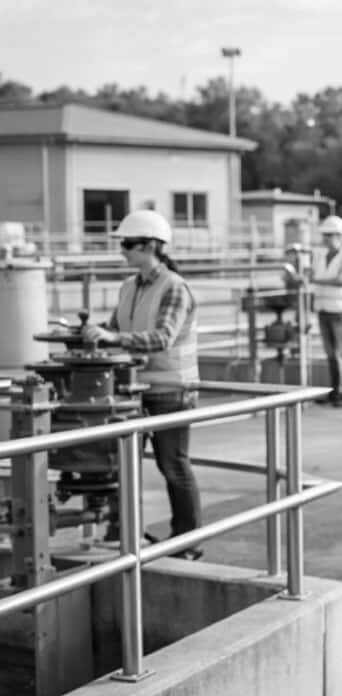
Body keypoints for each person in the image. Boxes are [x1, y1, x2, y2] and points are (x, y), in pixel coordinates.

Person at [83, 209, 204, 560]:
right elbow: (116, 328)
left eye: (128, 244)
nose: (123, 250)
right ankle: (124, 531)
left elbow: (163, 337)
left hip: (171, 391)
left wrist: (112, 337)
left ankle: (188, 541)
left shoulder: (175, 288)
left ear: (151, 246)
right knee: (124, 464)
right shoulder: (128, 287)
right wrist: (91, 333)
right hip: (135, 390)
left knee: (173, 466)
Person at [310, 215, 342, 407]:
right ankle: (335, 392)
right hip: (323, 309)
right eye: (325, 235)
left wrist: (316, 281)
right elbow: (311, 274)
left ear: (339, 235)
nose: (326, 239)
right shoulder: (319, 256)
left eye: (330, 235)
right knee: (331, 353)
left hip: (341, 310)